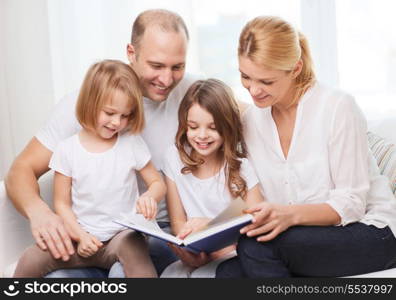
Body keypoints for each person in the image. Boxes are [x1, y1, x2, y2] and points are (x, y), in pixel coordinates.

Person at [5, 9, 197, 277]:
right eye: (156, 65)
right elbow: (21, 170)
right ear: (131, 53)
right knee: (57, 279)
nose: (167, 79)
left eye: (177, 67)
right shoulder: (83, 107)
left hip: (149, 231)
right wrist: (41, 214)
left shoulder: (191, 93)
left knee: (124, 269)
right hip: (85, 232)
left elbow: (236, 110)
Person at [216, 16, 396, 278]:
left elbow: (351, 204)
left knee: (256, 248)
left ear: (296, 68)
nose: (254, 90)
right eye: (246, 77)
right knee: (228, 274)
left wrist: (289, 215)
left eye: (266, 81)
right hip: (306, 238)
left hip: (371, 232)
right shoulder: (251, 122)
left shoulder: (337, 107)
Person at [13, 60, 165, 277]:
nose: (117, 123)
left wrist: (150, 196)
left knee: (135, 248)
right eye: (110, 113)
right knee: (32, 258)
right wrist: (80, 236)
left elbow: (157, 183)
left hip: (121, 236)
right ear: (90, 103)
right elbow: (62, 205)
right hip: (80, 237)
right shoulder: (67, 149)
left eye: (125, 115)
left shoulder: (131, 143)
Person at [160, 79, 263, 277]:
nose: (202, 136)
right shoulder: (173, 157)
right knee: (170, 275)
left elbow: (255, 225)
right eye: (193, 126)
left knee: (203, 277)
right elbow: (178, 222)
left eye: (213, 127)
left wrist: (209, 229)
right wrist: (188, 251)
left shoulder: (242, 168)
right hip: (195, 252)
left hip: (232, 254)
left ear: (227, 127)